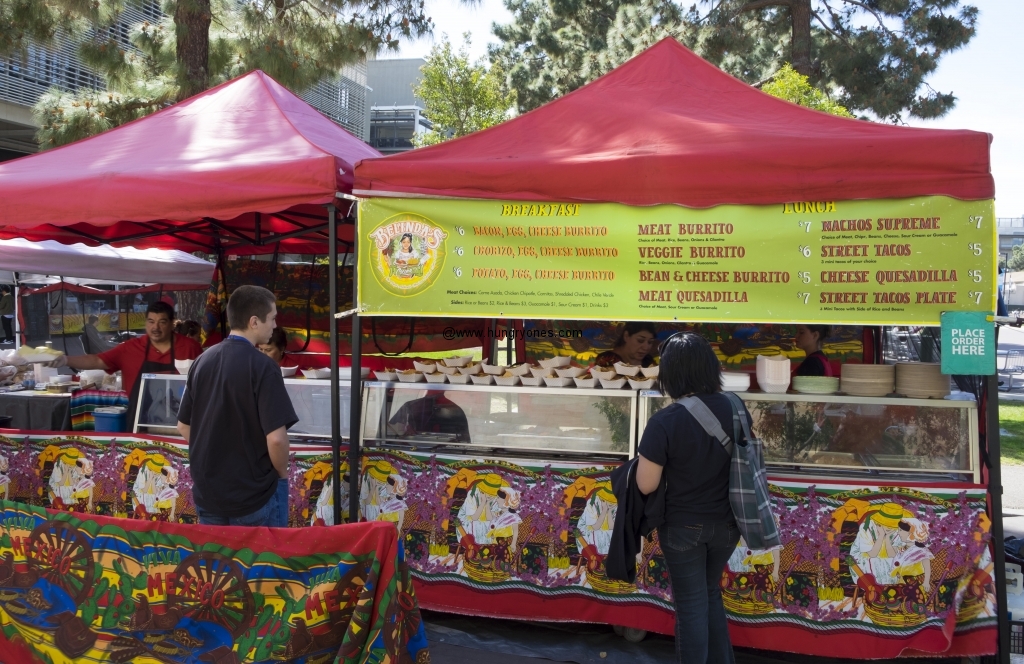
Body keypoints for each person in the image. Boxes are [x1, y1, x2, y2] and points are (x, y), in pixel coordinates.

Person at [635, 332, 747, 664]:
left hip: (683, 528)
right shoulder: (737, 407)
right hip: (729, 525)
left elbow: (645, 484)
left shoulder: (665, 421)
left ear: (672, 373)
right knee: (710, 593)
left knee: (691, 605)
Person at [176, 285, 297, 527]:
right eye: (272, 319)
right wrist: (282, 474)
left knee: (218, 565)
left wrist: (217, 456)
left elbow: (183, 425)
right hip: (254, 496)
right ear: (254, 322)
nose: (274, 325)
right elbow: (276, 439)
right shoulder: (264, 366)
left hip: (208, 494)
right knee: (260, 564)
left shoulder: (201, 361)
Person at [59, 301, 202, 417]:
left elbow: (204, 383)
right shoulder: (131, 348)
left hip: (181, 423)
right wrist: (65, 360)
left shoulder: (191, 347)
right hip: (137, 423)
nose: (155, 327)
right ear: (146, 323)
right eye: (151, 321)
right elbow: (97, 360)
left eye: (162, 322)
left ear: (172, 323)